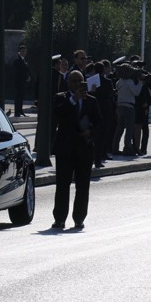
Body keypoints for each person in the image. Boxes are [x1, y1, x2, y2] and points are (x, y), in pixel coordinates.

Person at [51, 70, 102, 230]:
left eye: (80, 81)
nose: (77, 84)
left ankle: (79, 218)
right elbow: (59, 114)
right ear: (68, 83)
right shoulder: (61, 98)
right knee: (62, 185)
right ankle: (59, 218)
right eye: (73, 81)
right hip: (65, 148)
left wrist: (90, 132)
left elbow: (100, 122)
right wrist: (74, 99)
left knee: (83, 185)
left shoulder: (92, 101)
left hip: (84, 149)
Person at [112, 63, 143, 156]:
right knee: (129, 129)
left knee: (119, 128)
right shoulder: (129, 82)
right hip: (129, 107)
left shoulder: (119, 82)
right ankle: (127, 148)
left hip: (120, 106)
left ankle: (115, 148)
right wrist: (140, 82)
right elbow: (136, 92)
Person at [13, 44, 30, 117]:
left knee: (21, 97)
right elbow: (18, 71)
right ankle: (17, 112)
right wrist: (25, 77)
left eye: (25, 51)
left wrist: (27, 77)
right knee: (18, 97)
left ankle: (20, 110)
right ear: (19, 51)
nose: (24, 53)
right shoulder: (17, 60)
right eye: (22, 51)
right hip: (19, 82)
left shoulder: (23, 60)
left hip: (23, 82)